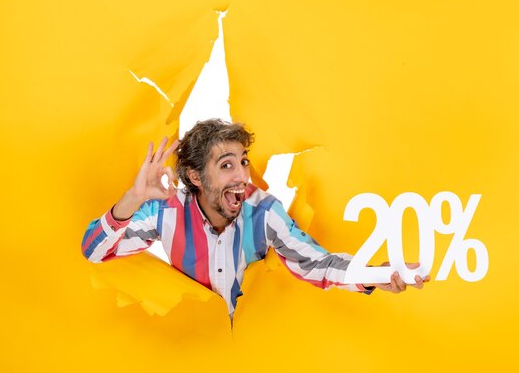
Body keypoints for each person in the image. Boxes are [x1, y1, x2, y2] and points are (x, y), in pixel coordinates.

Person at [81, 119, 428, 317]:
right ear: (197, 177)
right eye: (226, 165)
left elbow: (315, 264)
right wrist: (133, 199)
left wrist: (373, 275)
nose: (241, 176)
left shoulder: (263, 212)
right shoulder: (167, 211)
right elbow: (93, 251)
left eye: (243, 161)